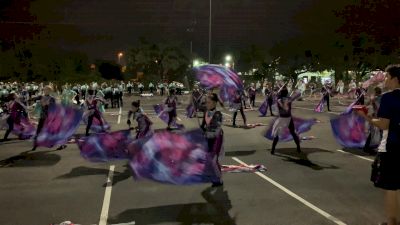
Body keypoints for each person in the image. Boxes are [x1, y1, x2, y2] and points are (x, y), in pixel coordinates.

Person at [356, 65, 400, 225]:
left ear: (395, 79)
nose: (384, 79)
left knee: (391, 188)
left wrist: (365, 117)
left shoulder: (389, 98)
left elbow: (383, 124)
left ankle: (393, 222)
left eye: (387, 77)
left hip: (392, 148)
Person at [31, 86, 66, 151]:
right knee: (38, 131)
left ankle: (61, 144)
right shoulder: (41, 97)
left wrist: (48, 104)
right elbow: (34, 99)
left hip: (50, 118)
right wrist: (31, 98)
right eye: (44, 89)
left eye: (47, 90)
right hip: (42, 117)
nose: (45, 91)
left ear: (49, 91)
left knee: (54, 132)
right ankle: (35, 145)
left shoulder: (52, 98)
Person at [200, 93, 224, 187]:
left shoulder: (218, 114)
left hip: (216, 138)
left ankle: (219, 179)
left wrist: (205, 131)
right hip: (208, 137)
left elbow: (215, 128)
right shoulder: (206, 111)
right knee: (208, 158)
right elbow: (204, 125)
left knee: (214, 159)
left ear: (214, 103)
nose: (207, 104)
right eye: (206, 102)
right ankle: (213, 177)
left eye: (209, 102)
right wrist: (202, 129)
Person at [270, 87, 301, 154]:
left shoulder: (279, 100)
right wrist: (295, 91)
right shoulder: (288, 99)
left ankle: (272, 150)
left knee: (277, 134)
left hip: (282, 118)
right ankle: (298, 147)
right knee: (293, 133)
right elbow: (299, 94)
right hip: (289, 118)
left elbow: (274, 96)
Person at [363, 87, 383, 153]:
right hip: (378, 116)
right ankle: (369, 147)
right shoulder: (378, 98)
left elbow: (367, 105)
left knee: (375, 132)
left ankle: (368, 147)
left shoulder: (376, 98)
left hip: (376, 116)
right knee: (377, 132)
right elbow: (377, 108)